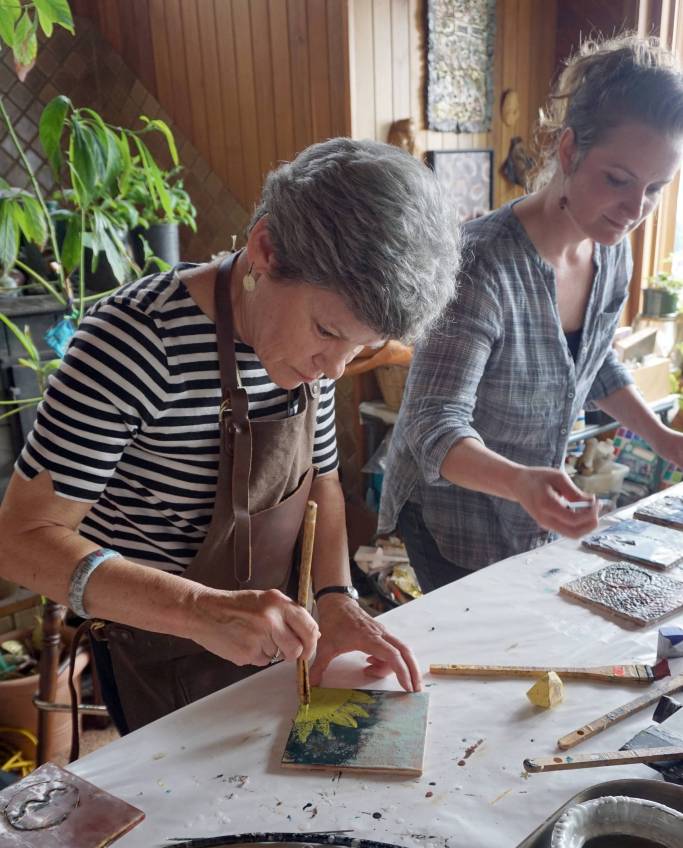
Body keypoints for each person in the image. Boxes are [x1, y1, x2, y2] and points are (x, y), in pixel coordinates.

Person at [0, 138, 460, 731]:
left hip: (276, 641)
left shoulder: (307, 354)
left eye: (360, 347)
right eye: (326, 331)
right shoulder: (132, 343)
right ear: (266, 249)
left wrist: (336, 596)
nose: (335, 369)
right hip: (158, 654)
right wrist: (201, 611)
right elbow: (21, 539)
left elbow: (322, 484)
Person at [379, 34, 683, 593]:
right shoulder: (480, 263)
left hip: (527, 505)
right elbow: (430, 426)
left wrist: (663, 438)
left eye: (656, 190)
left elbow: (594, 364)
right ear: (568, 152)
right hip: (452, 513)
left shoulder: (612, 246)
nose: (634, 210)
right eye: (617, 180)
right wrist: (521, 483)